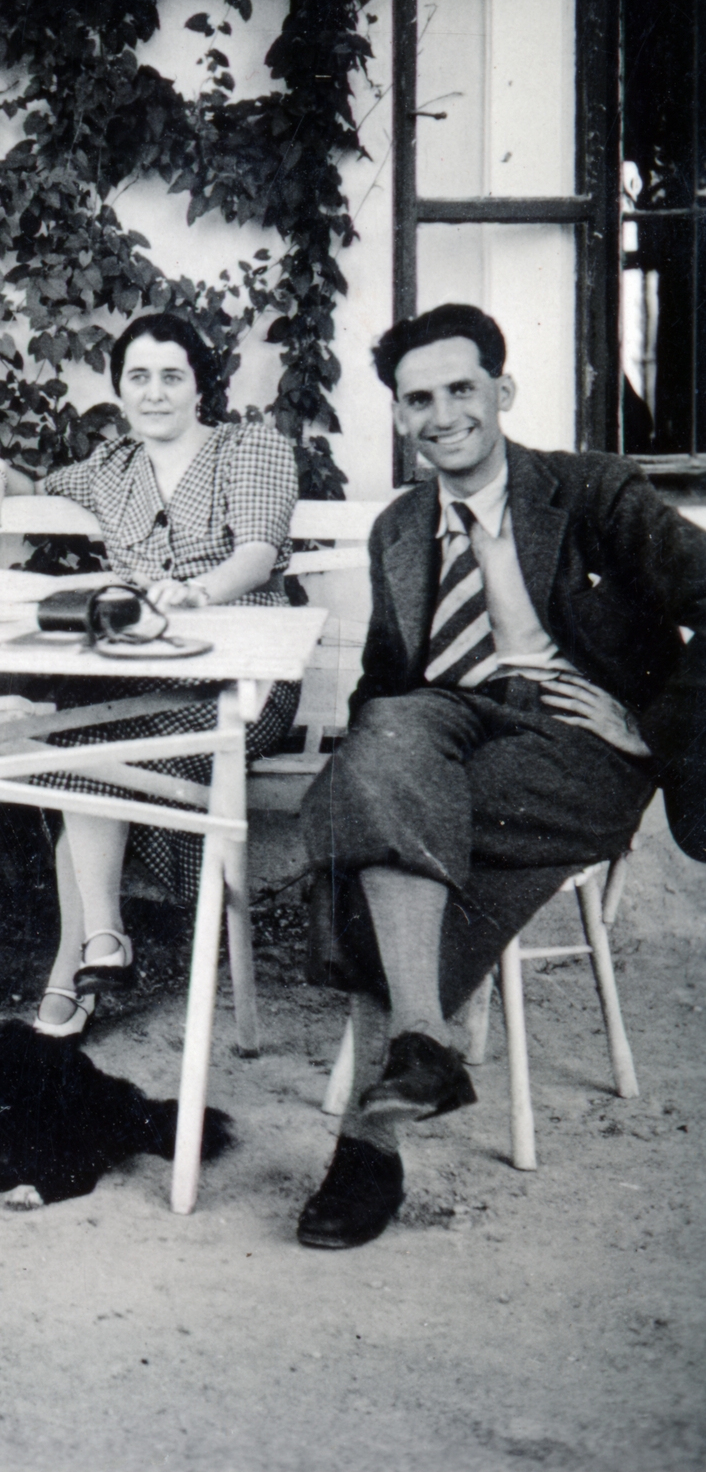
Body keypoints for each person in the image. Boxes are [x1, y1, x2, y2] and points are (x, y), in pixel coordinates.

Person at [296, 303, 706, 1250]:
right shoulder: (399, 527)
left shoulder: (591, 491)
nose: (442, 415)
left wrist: (652, 730)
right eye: (417, 399)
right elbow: (385, 684)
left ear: (502, 392)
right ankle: (422, 1043)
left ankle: (370, 1148)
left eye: (460, 390)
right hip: (448, 723)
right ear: (398, 415)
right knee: (386, 758)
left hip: (573, 742)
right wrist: (368, 764)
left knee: (378, 844)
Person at [0, 311, 300, 1036]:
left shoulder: (251, 446)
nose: (154, 393)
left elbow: (260, 552)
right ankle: (102, 941)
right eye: (138, 377)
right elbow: (31, 486)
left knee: (83, 747)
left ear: (200, 385)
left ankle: (77, 960)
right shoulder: (111, 468)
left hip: (241, 676)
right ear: (120, 388)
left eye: (172, 376)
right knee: (81, 732)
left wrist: (198, 593)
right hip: (142, 672)